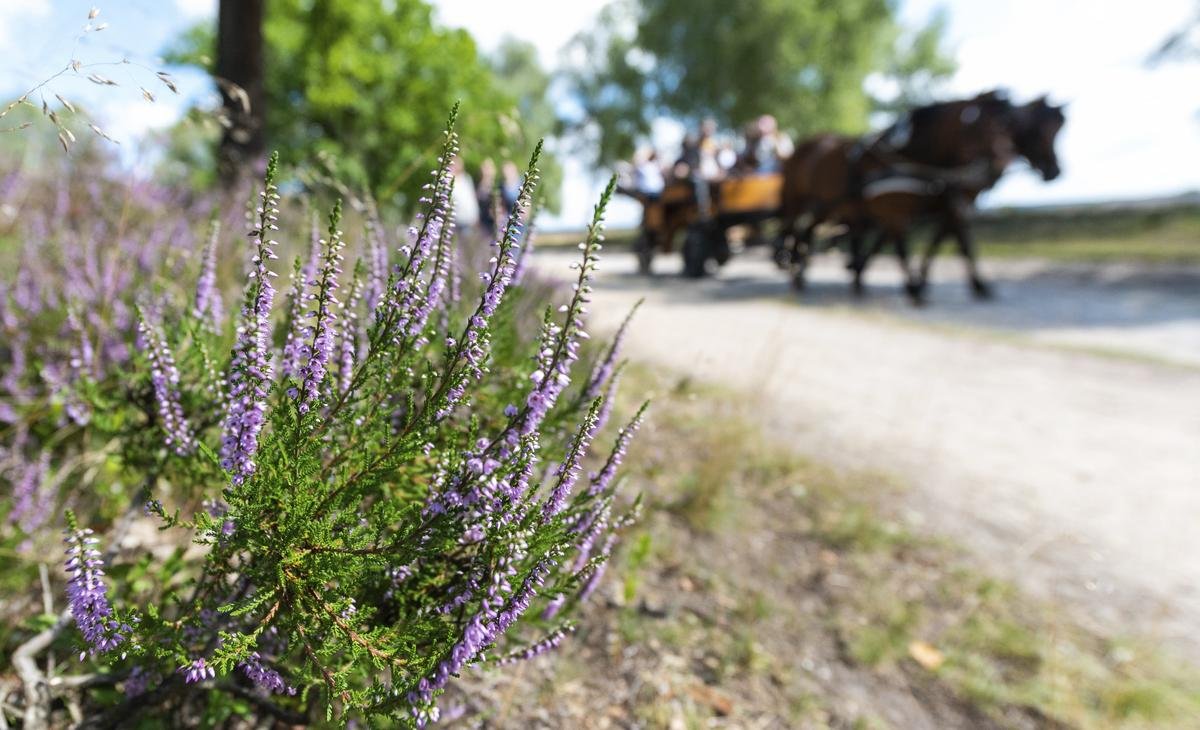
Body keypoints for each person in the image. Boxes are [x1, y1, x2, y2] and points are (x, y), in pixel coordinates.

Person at [449, 157, 479, 232]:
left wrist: (476, 215)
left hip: (471, 219)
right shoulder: (447, 180)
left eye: (459, 164)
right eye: (454, 164)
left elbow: (472, 198)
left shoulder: (466, 178)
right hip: (457, 221)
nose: (457, 166)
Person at [475, 158, 497, 236]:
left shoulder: (498, 188)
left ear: (494, 170)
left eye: (489, 167)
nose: (487, 170)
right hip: (478, 227)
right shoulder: (476, 186)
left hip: (492, 227)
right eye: (485, 167)